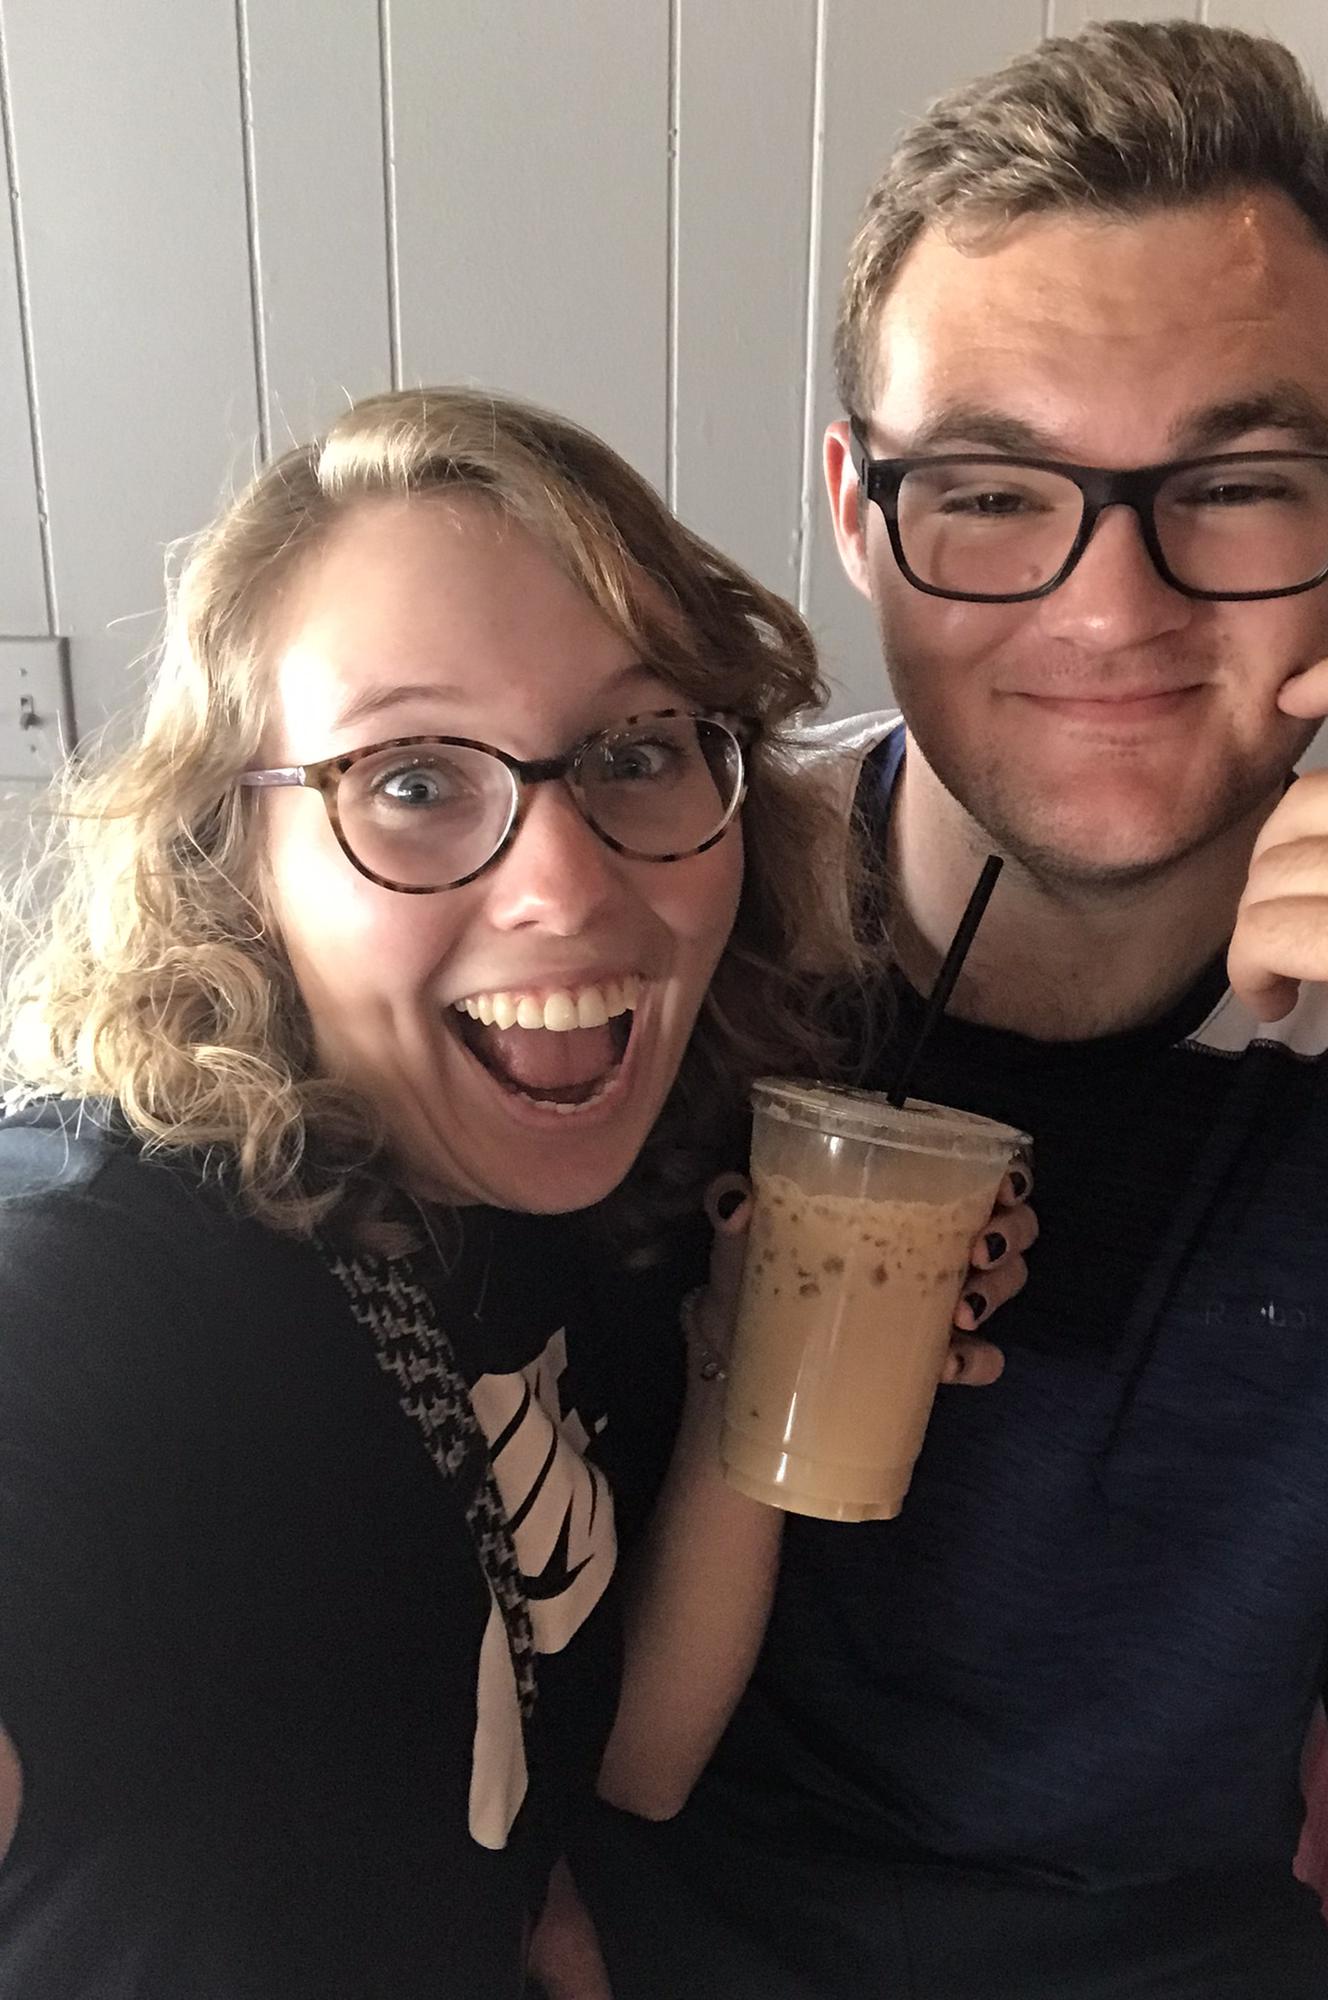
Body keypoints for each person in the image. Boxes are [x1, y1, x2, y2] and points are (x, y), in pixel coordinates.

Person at [575, 20, 1328, 1999]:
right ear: (851, 499)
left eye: (1237, 481)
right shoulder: (646, 916)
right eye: (990, 491)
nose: (1108, 607)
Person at [0, 383, 1036, 1999]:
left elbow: (631, 1762)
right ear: (231, 855)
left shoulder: (558, 1215)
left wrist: (763, 1334)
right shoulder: (103, 1285)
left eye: (633, 752)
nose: (565, 881)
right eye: (410, 781)